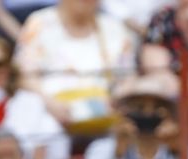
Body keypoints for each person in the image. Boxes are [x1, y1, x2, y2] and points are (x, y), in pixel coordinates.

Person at [14, 0, 136, 139]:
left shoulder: (114, 27)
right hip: (50, 113)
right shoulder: (39, 22)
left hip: (105, 116)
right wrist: (49, 102)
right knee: (28, 104)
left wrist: (116, 100)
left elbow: (129, 77)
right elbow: (24, 76)